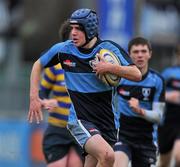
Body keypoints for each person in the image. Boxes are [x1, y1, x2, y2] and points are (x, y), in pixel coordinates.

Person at [27, 8, 142, 167]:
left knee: (92, 163)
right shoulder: (64, 50)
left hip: (108, 122)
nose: (73, 32)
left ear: (90, 30)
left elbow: (136, 74)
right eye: (72, 27)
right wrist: (34, 97)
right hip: (80, 120)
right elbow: (37, 65)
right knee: (108, 156)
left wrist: (109, 68)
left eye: (78, 28)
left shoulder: (108, 49)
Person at [112, 37, 165, 167]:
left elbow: (158, 117)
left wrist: (140, 111)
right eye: (135, 52)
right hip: (122, 135)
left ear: (150, 54)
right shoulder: (120, 78)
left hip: (147, 140)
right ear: (129, 54)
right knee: (118, 163)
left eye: (143, 51)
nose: (140, 55)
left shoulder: (157, 80)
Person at [39, 20, 83, 167]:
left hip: (80, 129)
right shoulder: (55, 67)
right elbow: (42, 92)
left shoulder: (88, 67)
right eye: (72, 38)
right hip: (57, 129)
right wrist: (45, 102)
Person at [158, 44, 180, 167]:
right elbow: (157, 94)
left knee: (178, 157)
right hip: (167, 122)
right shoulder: (169, 73)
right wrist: (170, 96)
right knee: (164, 163)